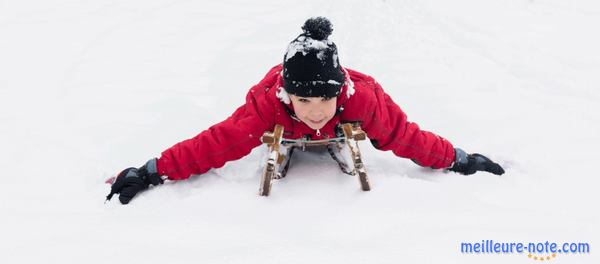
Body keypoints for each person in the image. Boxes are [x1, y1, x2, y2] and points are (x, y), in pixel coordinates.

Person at [106, 17, 505, 204]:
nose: (316, 111)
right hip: (286, 133)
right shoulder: (268, 105)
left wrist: (460, 159)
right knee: (272, 133)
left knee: (352, 124)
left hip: (342, 120)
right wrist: (152, 170)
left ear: (339, 93)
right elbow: (217, 143)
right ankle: (295, 147)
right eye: (305, 101)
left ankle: (321, 144)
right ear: (288, 95)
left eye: (325, 101)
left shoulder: (361, 101)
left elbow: (406, 136)